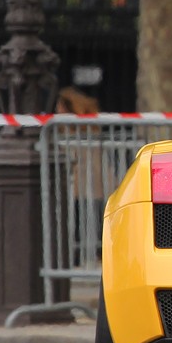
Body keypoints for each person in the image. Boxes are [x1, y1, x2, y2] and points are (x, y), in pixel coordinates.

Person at [57, 87, 105, 264]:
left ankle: (78, 256)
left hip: (81, 185)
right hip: (94, 185)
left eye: (60, 108)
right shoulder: (89, 128)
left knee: (78, 221)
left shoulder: (72, 131)